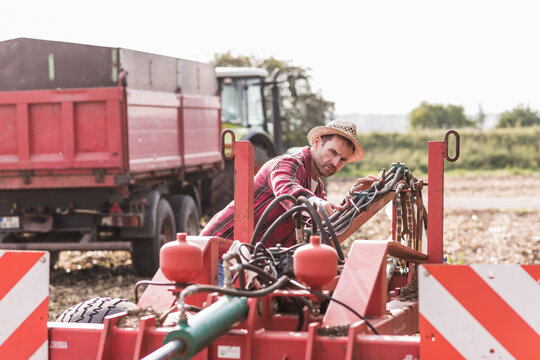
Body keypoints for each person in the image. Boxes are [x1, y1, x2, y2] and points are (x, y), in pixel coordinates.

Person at [200, 120, 377, 247]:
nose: (335, 163)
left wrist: (351, 197)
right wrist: (316, 203)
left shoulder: (316, 186)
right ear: (317, 143)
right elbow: (287, 189)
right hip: (221, 251)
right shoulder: (289, 163)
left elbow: (324, 223)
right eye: (332, 152)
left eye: (343, 159)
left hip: (252, 259)